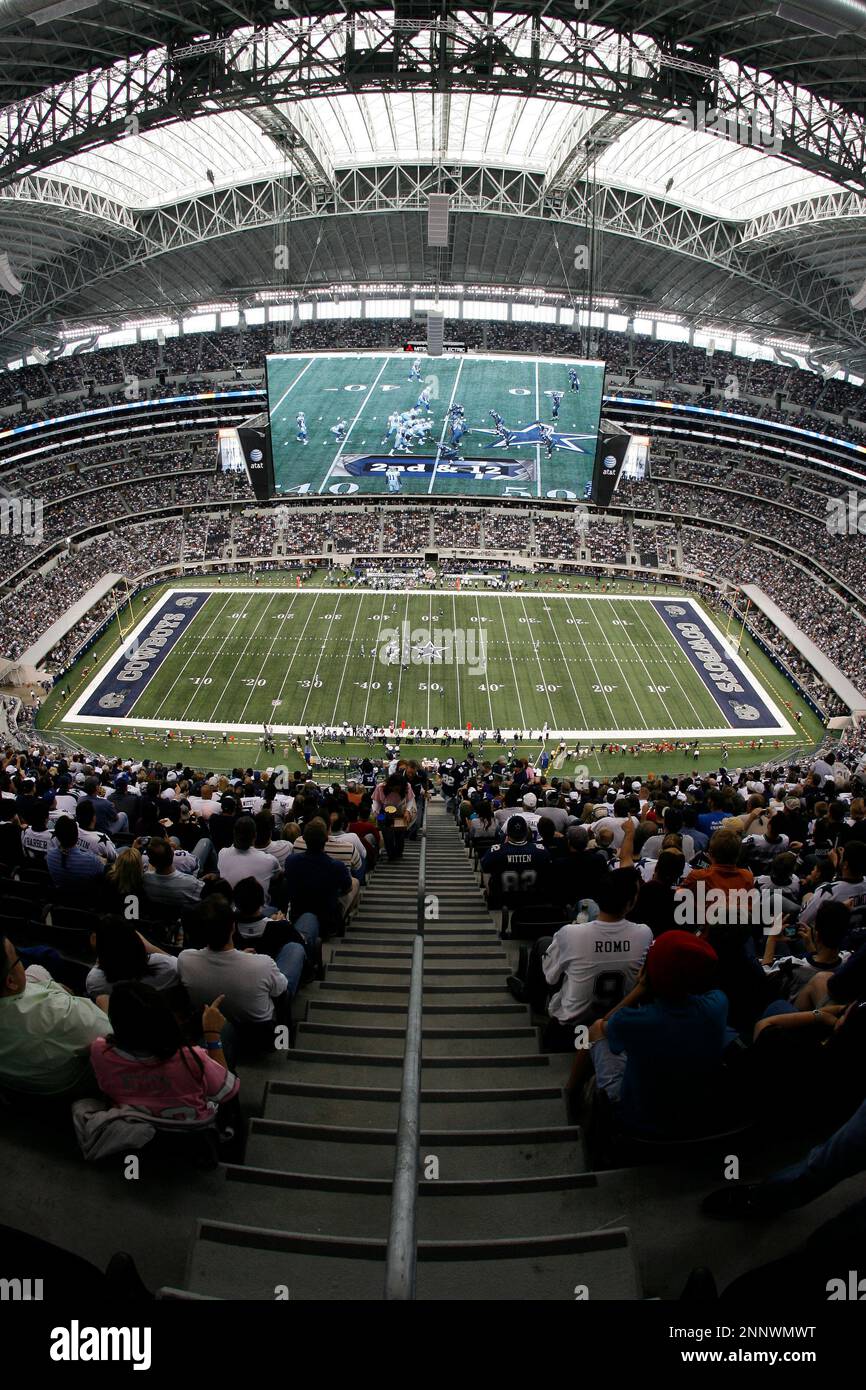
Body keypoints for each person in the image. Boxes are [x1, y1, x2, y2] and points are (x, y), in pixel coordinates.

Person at [583, 930, 729, 1137]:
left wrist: (641, 988)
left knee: (597, 1028)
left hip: (639, 1124)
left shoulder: (633, 1021)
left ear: (648, 975)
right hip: (696, 1119)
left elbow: (608, 1024)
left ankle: (570, 1093)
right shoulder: (718, 1005)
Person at [90, 981, 239, 1123]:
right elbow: (225, 1091)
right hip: (194, 1132)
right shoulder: (190, 1057)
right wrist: (212, 1033)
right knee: (225, 1030)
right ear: (165, 1016)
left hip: (134, 1124)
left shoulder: (100, 1051)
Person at [0, 933, 109, 1098]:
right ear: (10, 981)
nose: (21, 961)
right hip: (62, 1085)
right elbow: (112, 1034)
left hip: (13, 1076)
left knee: (36, 970)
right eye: (18, 958)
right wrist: (104, 1003)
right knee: (103, 1000)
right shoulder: (64, 1014)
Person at [281, 817, 357, 937]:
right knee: (355, 883)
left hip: (298, 918)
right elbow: (347, 888)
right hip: (327, 923)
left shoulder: (291, 861)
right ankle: (342, 919)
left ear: (304, 838)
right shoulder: (337, 866)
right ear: (326, 839)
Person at [85, 917, 179, 1001]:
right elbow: (180, 966)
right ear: (137, 941)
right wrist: (149, 946)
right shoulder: (168, 966)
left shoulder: (94, 982)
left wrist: (100, 951)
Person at [218, 815, 279, 897]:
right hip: (259, 908)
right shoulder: (269, 860)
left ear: (234, 834)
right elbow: (278, 876)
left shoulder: (222, 853)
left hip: (230, 907)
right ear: (255, 835)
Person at [46, 814, 105, 894]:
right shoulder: (92, 861)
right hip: (86, 903)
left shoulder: (50, 855)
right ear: (77, 837)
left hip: (60, 900)